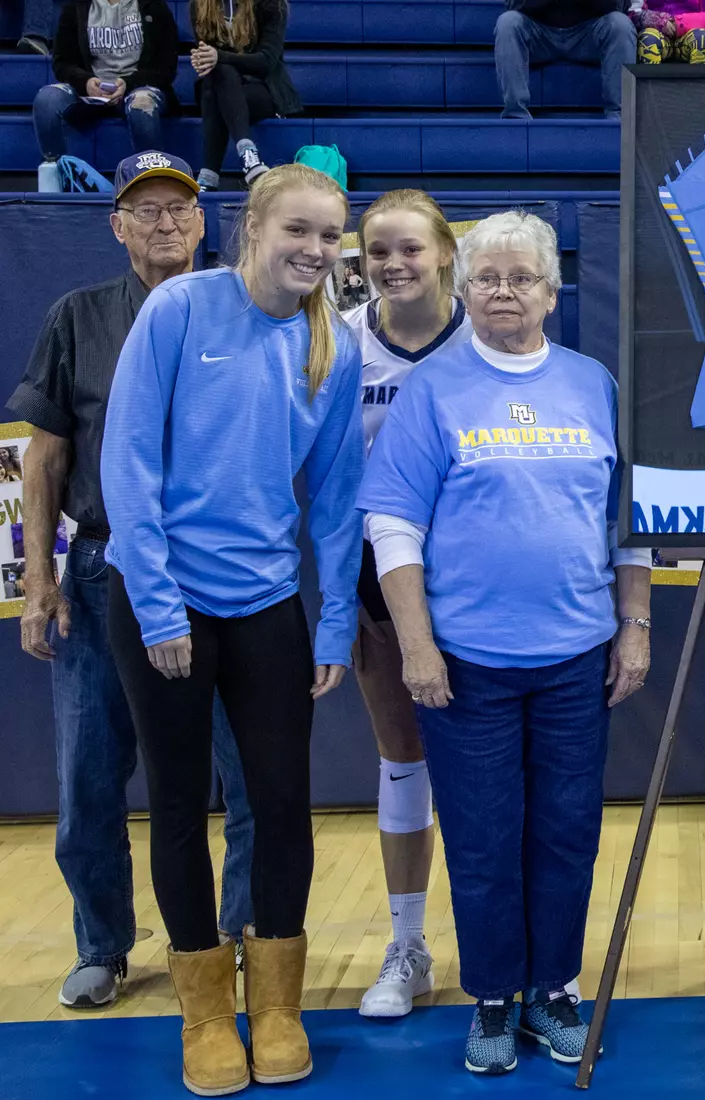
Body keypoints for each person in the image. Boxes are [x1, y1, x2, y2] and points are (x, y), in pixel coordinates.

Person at [357, 210, 651, 1075]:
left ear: (552, 295)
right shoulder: (434, 392)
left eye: (522, 278)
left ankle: (554, 989)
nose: (502, 292)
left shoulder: (594, 384)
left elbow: (627, 523)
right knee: (484, 837)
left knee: (565, 832)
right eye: (487, 278)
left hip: (575, 659)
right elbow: (393, 524)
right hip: (468, 664)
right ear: (465, 288)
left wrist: (635, 625)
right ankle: (491, 998)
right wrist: (416, 645)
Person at [101, 163, 362, 1097]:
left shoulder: (333, 343)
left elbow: (336, 498)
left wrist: (332, 626)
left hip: (265, 608)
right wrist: (161, 606)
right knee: (178, 803)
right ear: (248, 230)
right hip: (164, 603)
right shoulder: (177, 313)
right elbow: (127, 457)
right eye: (299, 231)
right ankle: (206, 1012)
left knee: (283, 803)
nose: (316, 251)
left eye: (331, 237)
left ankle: (278, 1005)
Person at [6, 151, 256, 1012]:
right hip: (106, 567)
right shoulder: (79, 317)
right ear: (115, 226)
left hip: (221, 571)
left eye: (179, 209)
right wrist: (39, 580)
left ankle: (246, 936)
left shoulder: (245, 309)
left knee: (246, 769)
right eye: (144, 211)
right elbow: (43, 461)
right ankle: (103, 944)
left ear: (205, 221)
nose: (164, 224)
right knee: (87, 777)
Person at [341, 189, 471, 1019]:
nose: (394, 264)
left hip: (485, 581)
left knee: (490, 768)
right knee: (403, 757)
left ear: (444, 254)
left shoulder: (491, 338)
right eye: (378, 251)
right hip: (380, 578)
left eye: (410, 249)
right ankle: (408, 944)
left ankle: (516, 949)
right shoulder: (341, 346)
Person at [31, 0, 177, 193]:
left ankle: (153, 186)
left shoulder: (154, 6)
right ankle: (57, 179)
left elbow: (166, 67)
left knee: (142, 105)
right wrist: (86, 82)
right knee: (46, 100)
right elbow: (62, 63)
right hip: (90, 88)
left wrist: (128, 83)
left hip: (137, 86)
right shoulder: (75, 7)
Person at [188, 0, 301, 190]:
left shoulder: (272, 4)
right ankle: (249, 159)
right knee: (219, 75)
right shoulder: (199, 5)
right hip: (219, 89)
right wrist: (203, 59)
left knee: (218, 78)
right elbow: (211, 60)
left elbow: (266, 62)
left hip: (263, 90)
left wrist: (219, 57)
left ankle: (209, 175)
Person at [495, 0, 637, 121]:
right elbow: (512, 4)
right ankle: (516, 116)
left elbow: (620, 6)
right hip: (538, 33)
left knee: (621, 24)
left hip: (589, 34)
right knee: (508, 22)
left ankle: (620, 117)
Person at [630, 0, 705, 64]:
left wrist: (678, 23)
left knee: (702, 39)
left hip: (688, 33)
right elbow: (633, 12)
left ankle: (701, 89)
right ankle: (651, 89)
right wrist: (657, 20)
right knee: (648, 39)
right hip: (658, 33)